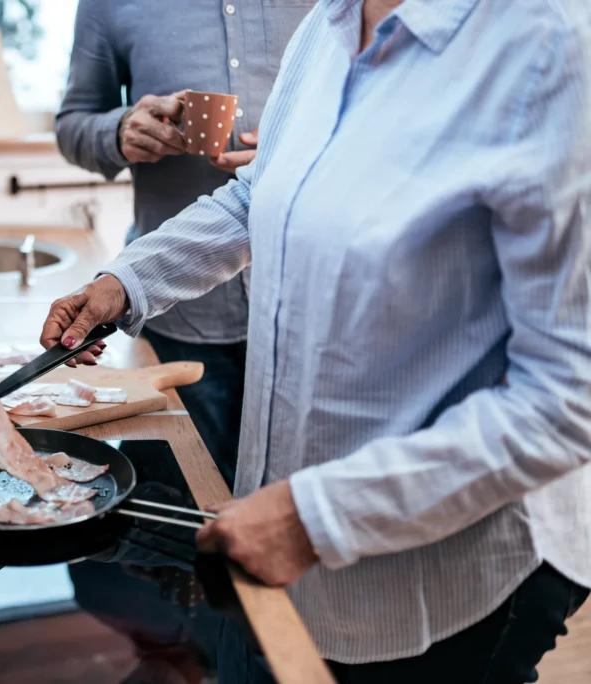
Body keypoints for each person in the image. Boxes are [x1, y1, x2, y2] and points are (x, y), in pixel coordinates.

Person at [41, 0, 591, 682]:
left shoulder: (551, 45)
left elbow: (567, 401)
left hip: (454, 584)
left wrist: (313, 515)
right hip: (294, 572)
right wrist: (126, 281)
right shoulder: (326, 28)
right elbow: (260, 194)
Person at [55, 0, 312, 487]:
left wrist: (293, 156)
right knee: (170, 517)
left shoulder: (340, 11)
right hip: (174, 317)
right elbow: (72, 125)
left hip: (304, 309)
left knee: (280, 518)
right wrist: (119, 130)